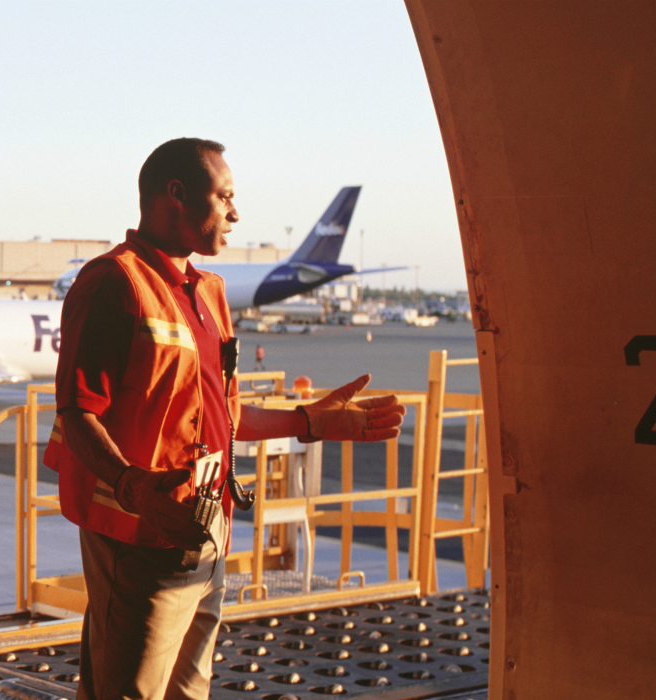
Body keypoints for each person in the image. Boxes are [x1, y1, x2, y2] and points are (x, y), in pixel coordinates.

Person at [45, 138, 405, 700]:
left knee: (190, 690)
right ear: (177, 196)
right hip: (141, 532)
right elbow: (76, 412)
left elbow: (224, 415)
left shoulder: (208, 292)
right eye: (225, 197)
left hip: (206, 527)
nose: (236, 213)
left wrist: (308, 421)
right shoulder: (115, 282)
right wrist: (131, 484)